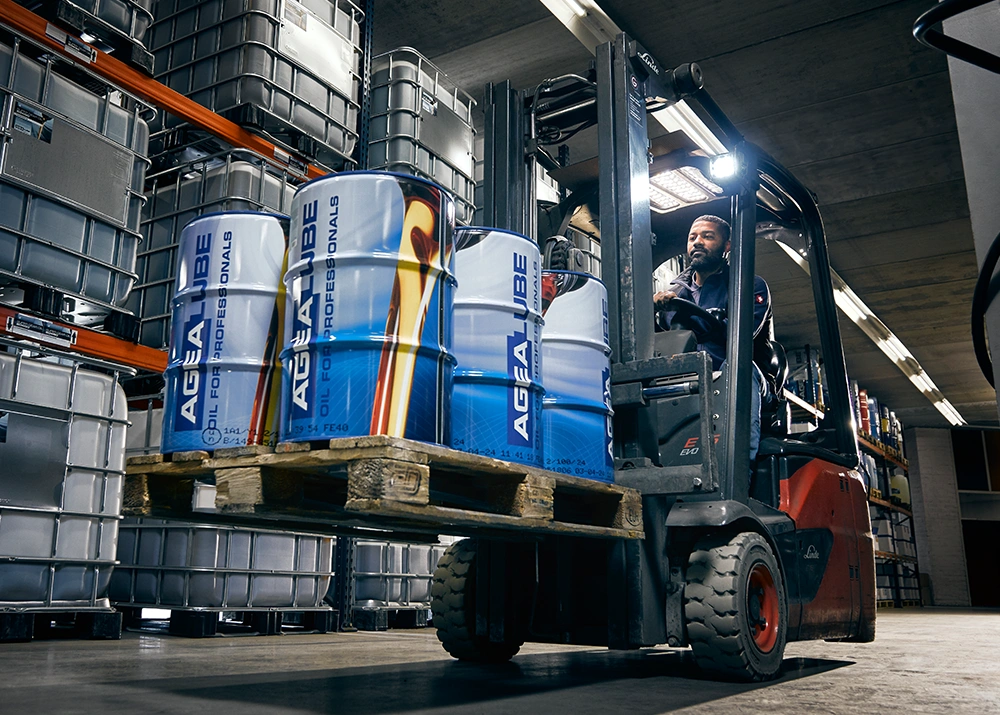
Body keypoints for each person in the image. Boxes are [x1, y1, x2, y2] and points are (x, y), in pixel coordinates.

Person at [653, 215, 770, 462]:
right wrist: (650, 310)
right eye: (692, 237)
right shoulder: (674, 294)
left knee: (738, 369)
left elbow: (740, 336)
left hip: (738, 374)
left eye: (707, 236)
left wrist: (692, 316)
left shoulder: (747, 285)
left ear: (727, 245)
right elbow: (661, 341)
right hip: (689, 375)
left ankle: (738, 470)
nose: (697, 242)